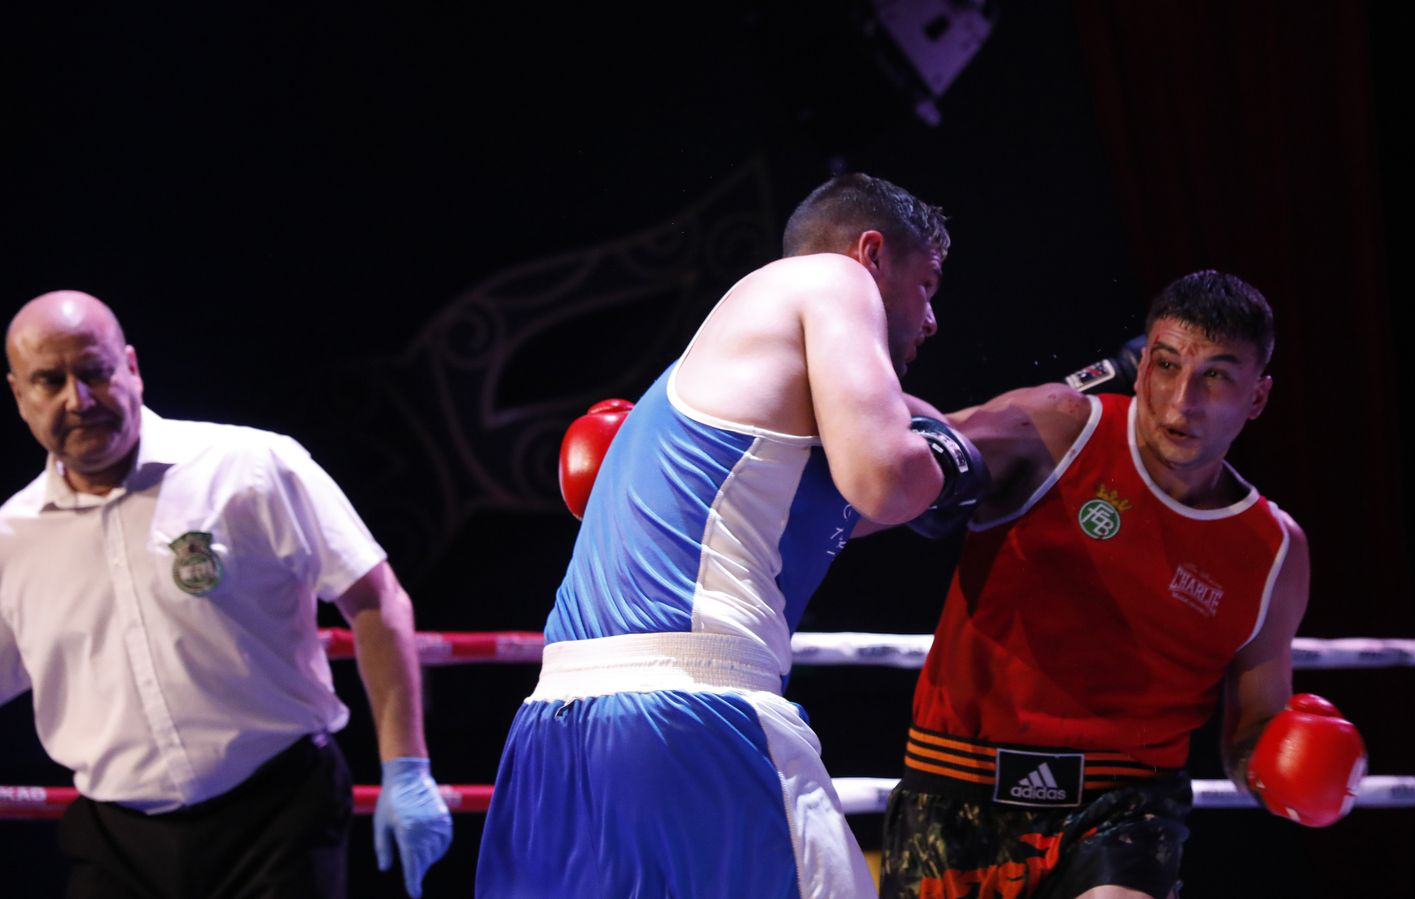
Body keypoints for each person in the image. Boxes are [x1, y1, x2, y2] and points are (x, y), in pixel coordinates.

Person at [475, 172, 987, 898]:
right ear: (870, 254)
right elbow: (891, 478)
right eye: (928, 284)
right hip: (690, 715)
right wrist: (952, 461)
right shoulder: (831, 280)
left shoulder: (727, 393)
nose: (932, 319)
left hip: (553, 735)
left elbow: (901, 472)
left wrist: (951, 454)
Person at [879, 271, 1365, 899]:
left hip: (1122, 808)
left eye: (1216, 376)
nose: (1182, 400)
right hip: (957, 777)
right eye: (1167, 365)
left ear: (1258, 397)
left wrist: (1287, 765)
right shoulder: (1059, 429)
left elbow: (1252, 733)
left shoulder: (1274, 550)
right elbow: (901, 458)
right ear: (1141, 370)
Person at [0, 291, 454, 898]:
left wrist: (406, 768)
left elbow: (375, 601)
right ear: (18, 395)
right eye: (49, 381)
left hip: (278, 817)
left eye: (94, 371)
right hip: (115, 841)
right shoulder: (11, 538)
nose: (77, 400)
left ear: (131, 367)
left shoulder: (250, 467)